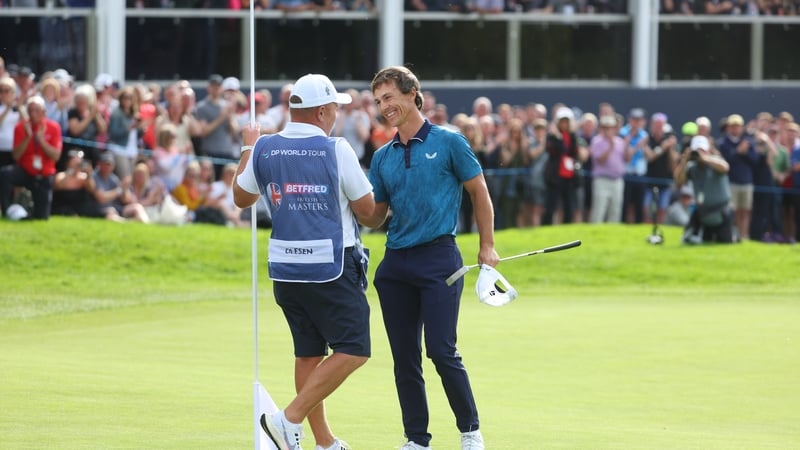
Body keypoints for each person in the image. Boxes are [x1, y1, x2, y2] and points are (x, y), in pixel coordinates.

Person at [232, 73, 375, 450]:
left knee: (309, 352)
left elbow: (241, 198)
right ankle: (288, 419)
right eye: (335, 110)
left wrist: (248, 147)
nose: (337, 116)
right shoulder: (337, 149)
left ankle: (323, 442)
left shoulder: (264, 148)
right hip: (331, 267)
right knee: (355, 348)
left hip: (286, 271)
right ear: (324, 111)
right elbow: (366, 208)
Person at [361, 65, 499, 450]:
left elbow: (480, 192)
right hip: (396, 264)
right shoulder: (382, 157)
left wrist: (486, 245)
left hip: (440, 258)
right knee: (405, 359)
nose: (383, 106)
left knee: (441, 350)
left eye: (389, 97)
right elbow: (375, 216)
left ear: (411, 94)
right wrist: (352, 199)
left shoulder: (449, 142)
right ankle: (417, 440)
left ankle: (470, 431)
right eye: (378, 101)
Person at [1, 95, 62, 220]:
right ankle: (6, 210)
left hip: (44, 175)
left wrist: (41, 141)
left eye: (36, 110)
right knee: (5, 173)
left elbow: (56, 156)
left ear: (44, 112)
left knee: (41, 217)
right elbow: (16, 156)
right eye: (30, 110)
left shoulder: (54, 127)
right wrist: (27, 138)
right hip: (26, 171)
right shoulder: (20, 127)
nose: (33, 114)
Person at [674, 135, 736, 244]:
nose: (699, 153)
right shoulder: (692, 167)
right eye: (697, 151)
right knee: (702, 240)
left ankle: (734, 235)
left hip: (721, 211)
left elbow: (725, 167)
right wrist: (684, 161)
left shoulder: (716, 161)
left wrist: (705, 158)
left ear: (708, 150)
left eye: (702, 150)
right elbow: (679, 181)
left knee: (724, 242)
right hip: (703, 212)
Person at [589, 114, 627, 223]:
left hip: (617, 180)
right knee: (599, 209)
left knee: (615, 210)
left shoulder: (620, 142)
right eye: (605, 127)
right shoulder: (596, 141)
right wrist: (610, 147)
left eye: (610, 127)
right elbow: (600, 160)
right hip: (601, 180)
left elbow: (625, 159)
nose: (608, 130)